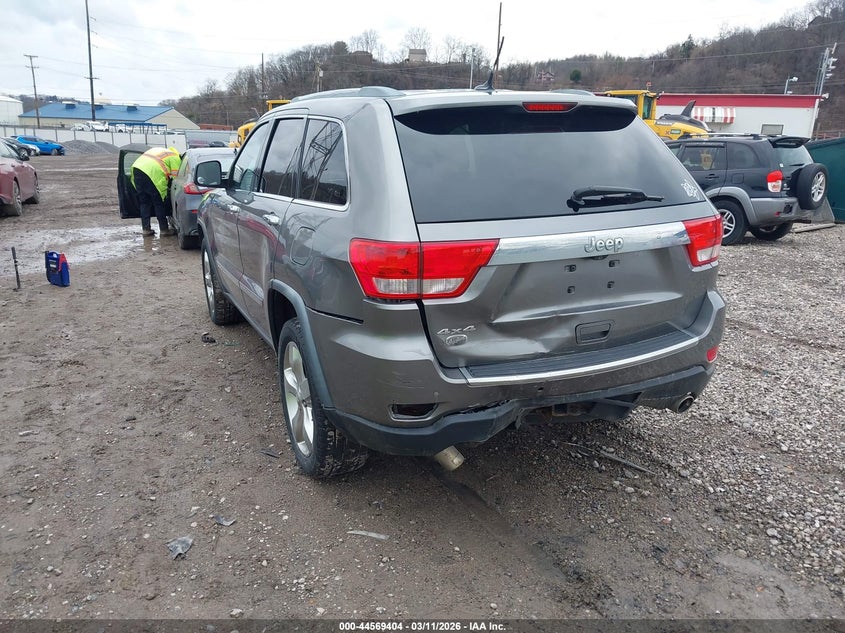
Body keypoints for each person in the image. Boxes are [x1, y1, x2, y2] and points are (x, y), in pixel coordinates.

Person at [130, 146, 182, 236]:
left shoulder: (160, 151)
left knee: (144, 202)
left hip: (136, 169)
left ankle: (146, 229)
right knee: (158, 202)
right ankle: (164, 230)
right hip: (152, 175)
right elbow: (176, 178)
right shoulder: (175, 157)